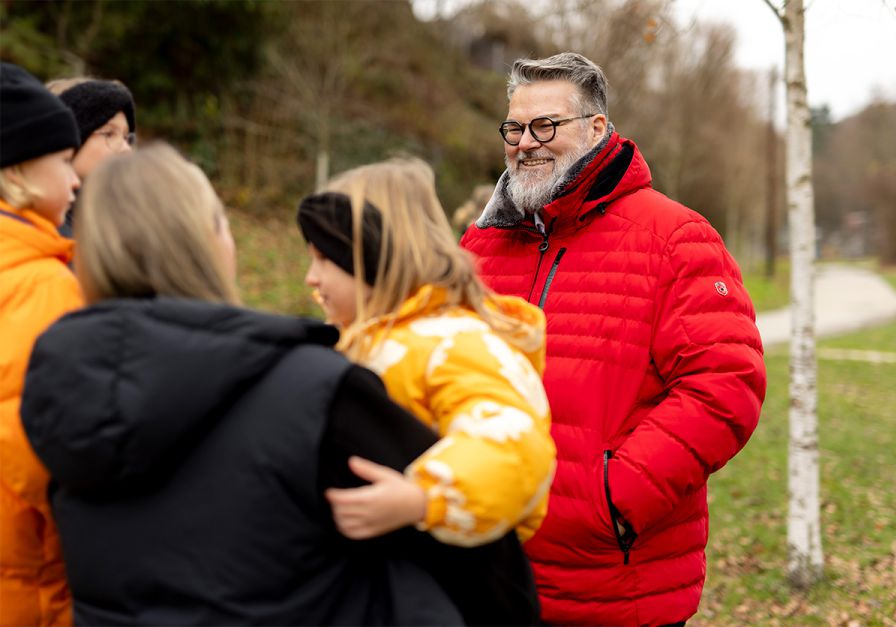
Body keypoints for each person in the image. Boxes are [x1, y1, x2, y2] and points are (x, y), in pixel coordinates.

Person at [19, 142, 535, 626]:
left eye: (325, 258)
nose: (310, 278)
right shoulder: (311, 390)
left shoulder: (55, 392)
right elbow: (489, 574)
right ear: (204, 241)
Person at [459, 52, 767, 626]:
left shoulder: (675, 236)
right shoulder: (481, 244)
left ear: (597, 128)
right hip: (488, 574)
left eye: (545, 125)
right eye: (514, 129)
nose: (526, 143)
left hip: (613, 584)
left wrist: (613, 498)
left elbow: (727, 384)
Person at [296, 157, 556, 551]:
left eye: (325, 259)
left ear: (376, 255)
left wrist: (423, 498)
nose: (310, 278)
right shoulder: (362, 337)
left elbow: (516, 445)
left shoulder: (453, 342)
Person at [0, 61, 82, 627]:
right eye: (66, 161)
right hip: (32, 578)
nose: (76, 181)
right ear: (20, 168)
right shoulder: (47, 284)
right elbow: (40, 449)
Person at [45, 76, 136, 237]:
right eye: (108, 134)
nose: (126, 149)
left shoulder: (124, 220)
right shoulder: (42, 230)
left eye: (126, 137)